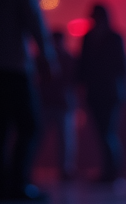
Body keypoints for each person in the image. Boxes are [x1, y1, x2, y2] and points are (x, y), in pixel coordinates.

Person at [0, 0, 55, 201]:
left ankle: (2, 187)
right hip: (16, 68)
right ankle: (18, 184)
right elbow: (35, 23)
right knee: (30, 126)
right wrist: (48, 57)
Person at [78, 3, 126, 184]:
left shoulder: (114, 37)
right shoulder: (89, 37)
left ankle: (113, 172)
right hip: (96, 92)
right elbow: (82, 65)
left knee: (108, 132)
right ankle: (110, 171)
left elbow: (122, 67)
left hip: (110, 92)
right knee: (103, 133)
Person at [38, 31, 77, 182]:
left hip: (60, 103)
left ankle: (66, 169)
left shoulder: (61, 58)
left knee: (65, 140)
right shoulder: (51, 58)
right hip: (53, 103)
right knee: (62, 139)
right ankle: (65, 170)